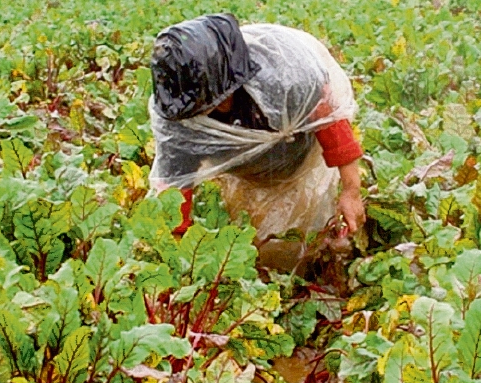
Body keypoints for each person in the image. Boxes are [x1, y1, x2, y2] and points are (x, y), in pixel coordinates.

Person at [149, 14, 365, 254]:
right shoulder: (178, 121)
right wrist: (177, 249)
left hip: (298, 150)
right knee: (254, 240)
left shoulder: (286, 77)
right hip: (243, 170)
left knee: (305, 238)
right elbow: (175, 185)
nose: (195, 115)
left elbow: (330, 122)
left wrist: (351, 191)